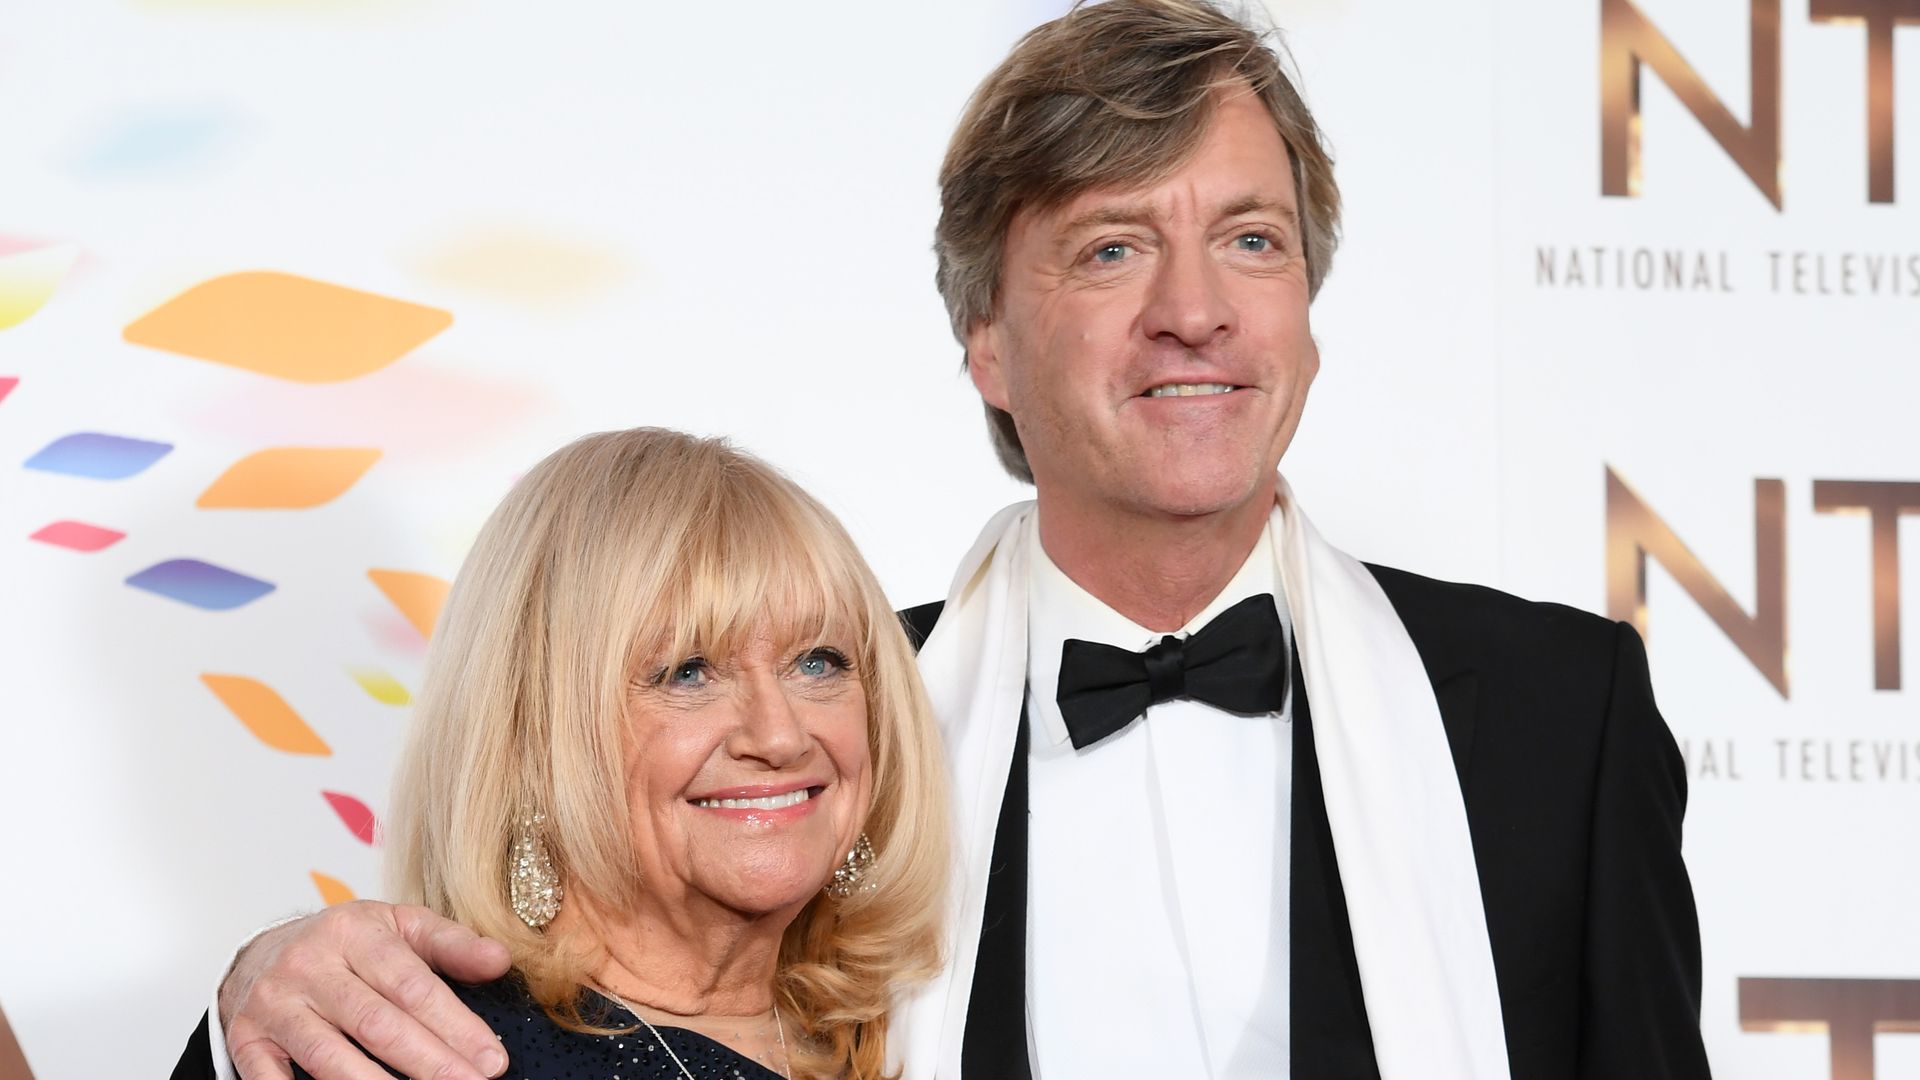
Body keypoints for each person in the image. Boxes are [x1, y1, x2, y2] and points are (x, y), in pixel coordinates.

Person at [177, 2, 1712, 1078]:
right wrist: (264, 1001)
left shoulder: (1554, 715)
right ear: (986, 342)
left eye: (1250, 238)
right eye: (1113, 248)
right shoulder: (824, 742)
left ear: (1306, 309)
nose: (1198, 308)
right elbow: (585, 1004)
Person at [177, 428, 949, 1080]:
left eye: (818, 662)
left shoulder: (913, 1031)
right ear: (530, 739)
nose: (779, 736)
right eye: (687, 672)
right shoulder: (420, 1051)